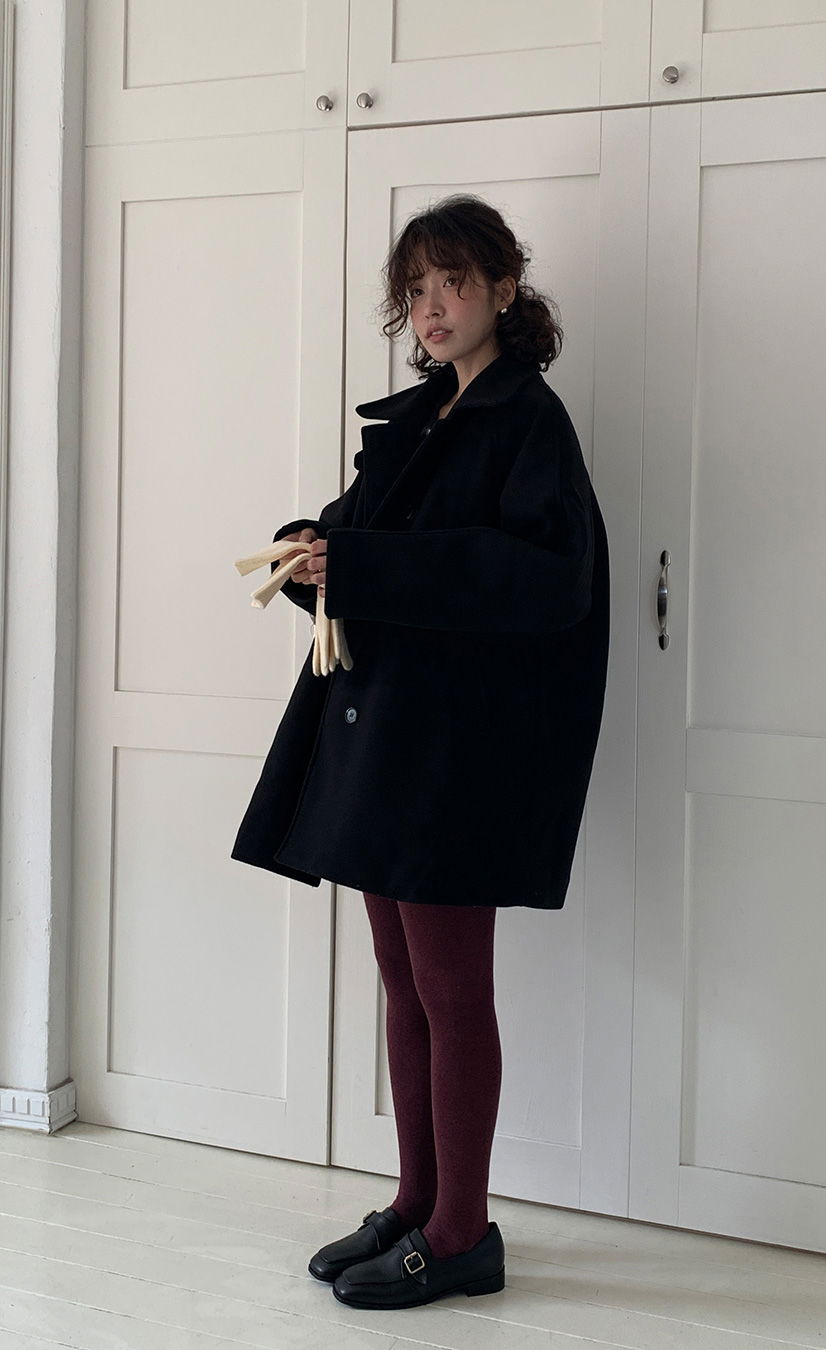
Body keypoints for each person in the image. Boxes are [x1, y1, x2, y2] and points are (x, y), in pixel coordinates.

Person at [231, 194, 610, 1309]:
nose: (431, 306)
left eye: (452, 282)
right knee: (404, 982)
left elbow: (541, 582)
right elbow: (373, 539)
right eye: (416, 289)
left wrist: (365, 567)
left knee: (451, 989)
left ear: (504, 288)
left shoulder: (527, 421)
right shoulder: (430, 415)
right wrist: (314, 544)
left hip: (461, 755)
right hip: (394, 738)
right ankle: (416, 1201)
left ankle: (461, 1234)